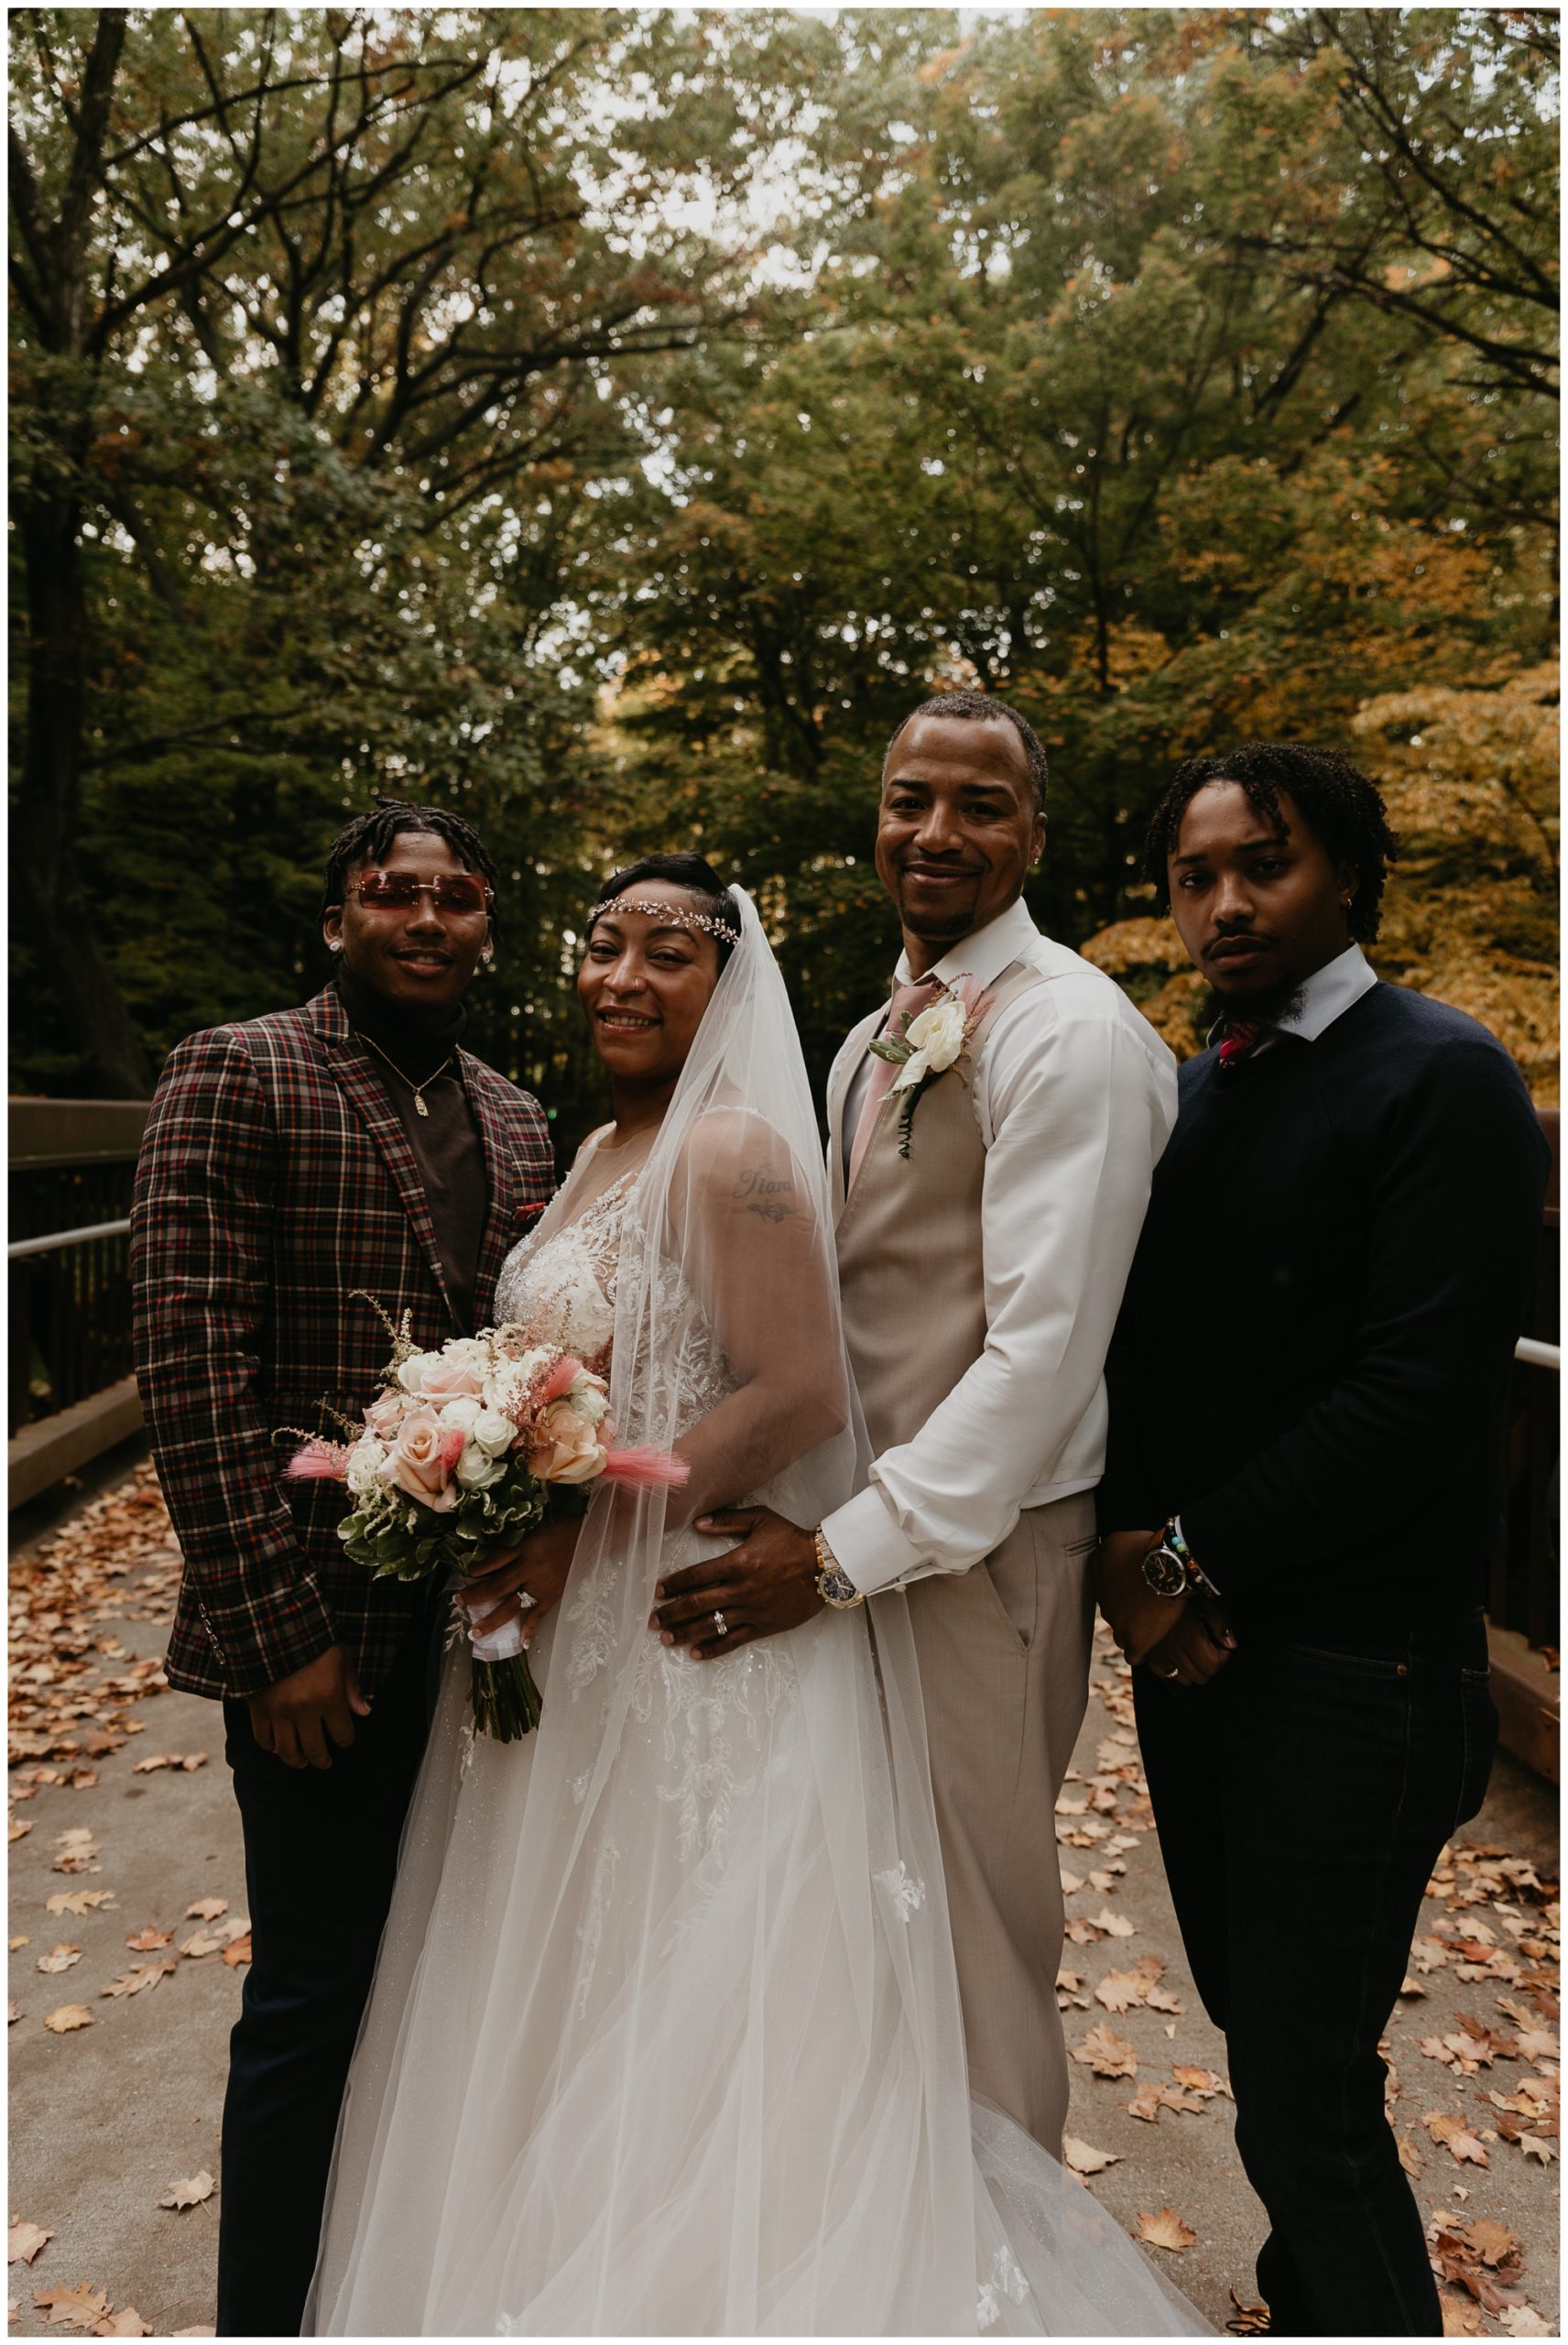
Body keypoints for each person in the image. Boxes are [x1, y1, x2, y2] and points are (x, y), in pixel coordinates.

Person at [305, 854, 1201, 2337]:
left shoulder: (734, 1153)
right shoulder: (592, 1147)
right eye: (603, 944)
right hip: (566, 1638)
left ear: (729, 985)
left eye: (671, 951)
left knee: (697, 1999)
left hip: (676, 1625)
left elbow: (796, 1391)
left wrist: (573, 1527)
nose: (625, 976)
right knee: (568, 1987)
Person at [657, 697, 1177, 2151]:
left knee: (977, 1930)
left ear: (1035, 834)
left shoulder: (1071, 1032)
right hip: (856, 1540)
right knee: (860, 1914)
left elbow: (1042, 1360)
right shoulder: (877, 1031)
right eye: (908, 798)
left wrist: (830, 1558)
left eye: (980, 804)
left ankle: (1004, 2267)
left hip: (982, 1561)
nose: (935, 832)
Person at [1094, 743, 1552, 2338]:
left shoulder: (1446, 1073)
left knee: (1302, 2087)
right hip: (1204, 1660)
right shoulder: (1199, 1084)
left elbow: (1419, 1397)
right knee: (1262, 2033)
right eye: (1194, 875)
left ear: (1346, 874)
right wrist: (1137, 1559)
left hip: (1366, 1666)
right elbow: (1144, 1351)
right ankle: (1308, 2298)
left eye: (1261, 865)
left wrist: (1182, 1561)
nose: (1223, 901)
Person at [129, 802, 554, 2339]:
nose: (427, 920)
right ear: (338, 923)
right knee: (311, 1998)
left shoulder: (518, 1118)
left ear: (485, 925)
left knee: (458, 1986)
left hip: (492, 1633)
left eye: (455, 898)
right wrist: (272, 1637)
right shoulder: (238, 1071)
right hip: (319, 1637)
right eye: (392, 895)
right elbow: (190, 1364)